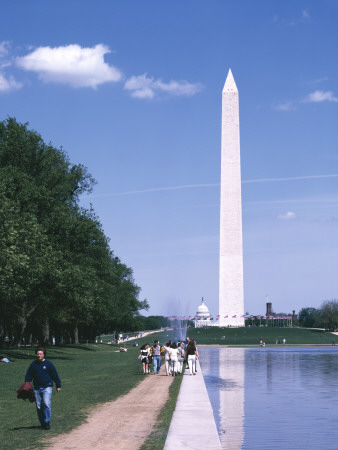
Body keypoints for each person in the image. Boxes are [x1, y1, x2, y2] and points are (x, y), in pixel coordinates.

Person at [25, 347, 61, 430]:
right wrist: (27, 383)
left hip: (47, 387)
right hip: (37, 388)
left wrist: (58, 385)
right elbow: (29, 375)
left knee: (46, 403)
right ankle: (42, 423)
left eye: (40, 354)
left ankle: (47, 421)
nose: (39, 355)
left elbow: (54, 375)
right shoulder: (33, 364)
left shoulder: (49, 364)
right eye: (37, 354)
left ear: (44, 354)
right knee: (39, 406)